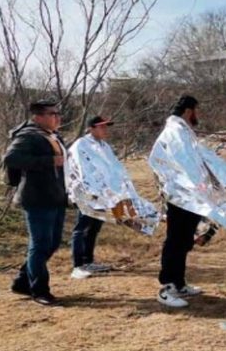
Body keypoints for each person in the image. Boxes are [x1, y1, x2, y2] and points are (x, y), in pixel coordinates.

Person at [149, 95, 226, 308]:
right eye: (196, 111)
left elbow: (203, 159)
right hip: (182, 196)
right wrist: (203, 189)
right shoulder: (175, 133)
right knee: (175, 240)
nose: (197, 115)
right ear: (189, 111)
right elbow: (187, 165)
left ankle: (179, 283)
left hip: (189, 196)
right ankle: (167, 287)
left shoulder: (182, 132)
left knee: (183, 240)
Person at [65, 116, 160, 280]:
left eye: (106, 127)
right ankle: (77, 265)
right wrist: (90, 192)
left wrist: (119, 191)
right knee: (82, 227)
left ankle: (88, 261)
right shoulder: (81, 145)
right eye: (102, 127)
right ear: (91, 128)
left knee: (94, 227)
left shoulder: (104, 147)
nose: (105, 130)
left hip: (104, 195)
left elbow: (113, 169)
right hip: (88, 195)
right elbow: (79, 170)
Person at [4, 99, 66, 306]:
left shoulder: (52, 135)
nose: (57, 117)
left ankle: (22, 281)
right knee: (40, 245)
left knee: (53, 243)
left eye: (58, 113)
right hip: (37, 198)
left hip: (55, 197)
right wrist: (47, 161)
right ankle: (39, 290)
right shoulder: (29, 135)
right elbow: (11, 158)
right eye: (52, 114)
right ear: (38, 117)